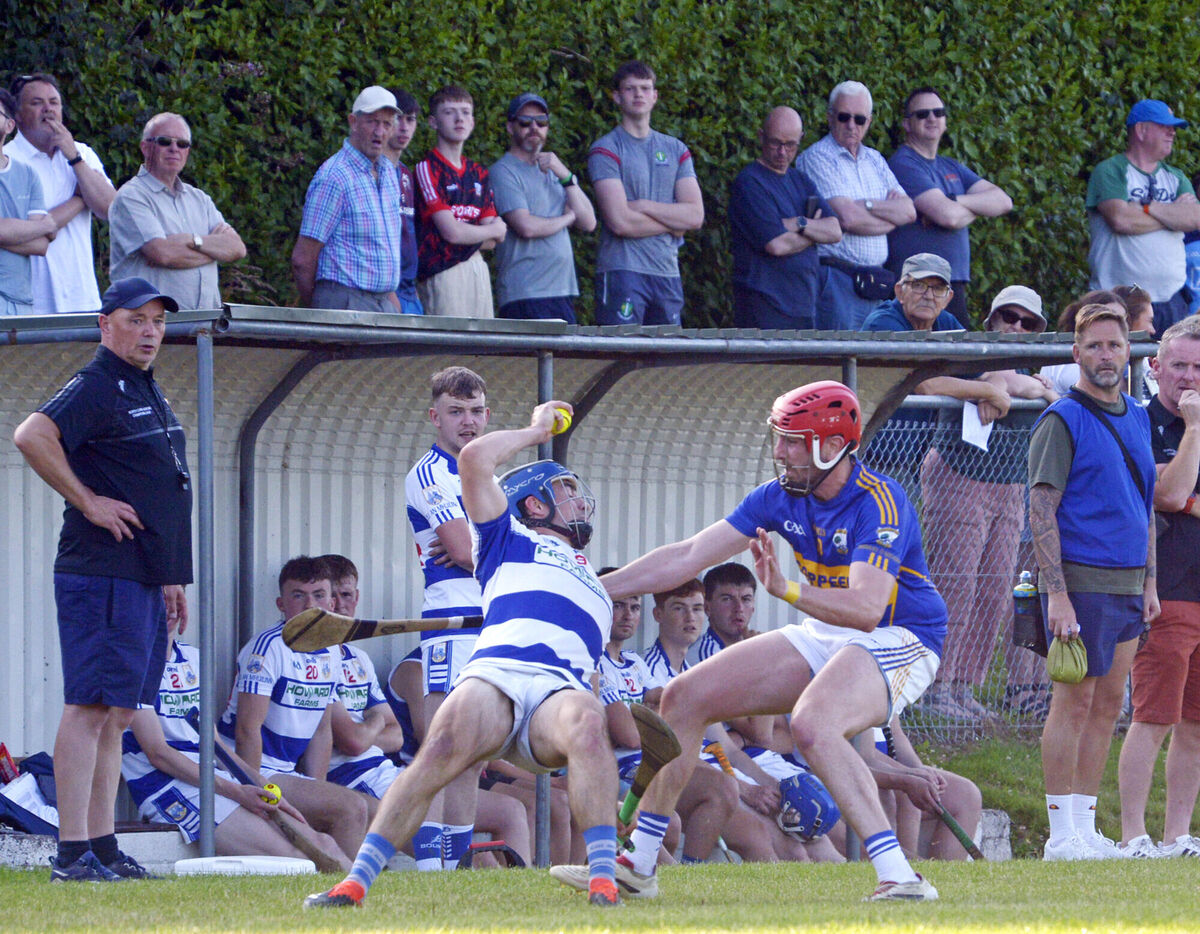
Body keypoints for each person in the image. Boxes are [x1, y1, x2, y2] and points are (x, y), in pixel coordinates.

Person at [568, 380, 946, 901]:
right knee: (684, 697)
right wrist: (584, 588)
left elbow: (864, 610)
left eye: (793, 440)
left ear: (832, 447)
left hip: (900, 635)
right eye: (780, 437)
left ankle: (901, 877)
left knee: (815, 724)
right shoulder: (777, 497)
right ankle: (638, 864)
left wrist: (785, 589)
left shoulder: (881, 501)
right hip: (829, 632)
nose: (780, 452)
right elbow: (686, 556)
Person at [303, 406, 622, 909]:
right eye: (565, 491)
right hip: (495, 672)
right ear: (535, 505)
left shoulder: (599, 584)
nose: (580, 501)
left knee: (586, 721)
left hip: (556, 695)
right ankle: (357, 884)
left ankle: (604, 883)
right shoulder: (510, 538)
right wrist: (537, 433)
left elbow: (683, 559)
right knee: (442, 746)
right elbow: (474, 459)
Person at [13, 277, 191, 881]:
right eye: (136, 320)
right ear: (105, 323)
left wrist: (170, 574)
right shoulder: (97, 384)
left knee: (117, 713)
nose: (149, 332)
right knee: (89, 707)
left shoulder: (142, 385)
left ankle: (103, 846)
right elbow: (32, 435)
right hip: (101, 572)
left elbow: (157, 488)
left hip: (142, 575)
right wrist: (89, 502)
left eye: (157, 323)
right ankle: (71, 853)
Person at [1028, 303, 1158, 860]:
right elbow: (1040, 507)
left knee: (1109, 704)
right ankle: (1060, 833)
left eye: (1116, 345)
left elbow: (1145, 505)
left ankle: (1084, 826)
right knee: (1073, 702)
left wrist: (1150, 582)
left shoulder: (1136, 414)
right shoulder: (1062, 418)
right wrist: (1056, 593)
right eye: (1095, 346)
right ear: (1075, 353)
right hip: (1080, 582)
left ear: (1130, 352)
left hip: (1130, 584)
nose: (1106, 355)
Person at [919, 286, 1057, 721]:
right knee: (955, 586)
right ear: (992, 319)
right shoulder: (966, 349)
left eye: (1027, 322)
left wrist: (1004, 385)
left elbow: (1022, 384)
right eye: (1007, 317)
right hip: (959, 478)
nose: (1015, 327)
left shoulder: (1033, 375)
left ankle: (964, 686)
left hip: (1009, 487)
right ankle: (934, 687)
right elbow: (926, 380)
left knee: (997, 593)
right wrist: (991, 384)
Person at [121, 616, 351, 868]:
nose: (169, 610)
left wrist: (257, 782)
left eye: (175, 599)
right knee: (292, 860)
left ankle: (356, 901)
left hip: (212, 777)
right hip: (165, 786)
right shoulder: (131, 663)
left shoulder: (194, 659)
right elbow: (158, 753)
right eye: (160, 599)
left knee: (323, 845)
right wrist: (237, 792)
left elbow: (214, 741)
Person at [217, 556, 371, 860]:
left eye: (318, 595)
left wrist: (318, 789)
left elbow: (322, 730)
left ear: (330, 601)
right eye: (298, 595)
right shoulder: (268, 647)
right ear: (281, 603)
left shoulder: (331, 650)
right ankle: (348, 890)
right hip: (247, 769)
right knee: (351, 808)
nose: (308, 605)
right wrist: (255, 794)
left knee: (365, 808)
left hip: (287, 772)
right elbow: (248, 731)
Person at [1118, 316, 1200, 858]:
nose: (1189, 377)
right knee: (1153, 717)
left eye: (1199, 367)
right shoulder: (1138, 422)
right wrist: (1193, 429)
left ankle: (1177, 836)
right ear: (1155, 368)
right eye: (1179, 366)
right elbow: (1168, 495)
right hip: (1164, 589)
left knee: (1195, 724)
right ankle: (1132, 835)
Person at [404, 366, 490, 869]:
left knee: (472, 757)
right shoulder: (430, 472)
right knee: (441, 749)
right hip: (451, 624)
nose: (468, 422)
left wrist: (482, 545)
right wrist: (487, 544)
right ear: (435, 416)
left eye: (476, 411)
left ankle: (452, 872)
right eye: (456, 412)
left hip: (490, 620)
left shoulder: (484, 473)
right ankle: (426, 870)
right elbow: (462, 549)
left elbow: (479, 548)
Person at [587, 60, 704, 325]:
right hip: (622, 271)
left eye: (645, 88)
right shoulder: (606, 148)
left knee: (666, 364)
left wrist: (642, 205)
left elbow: (695, 216)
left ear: (655, 96)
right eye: (630, 89)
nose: (638, 94)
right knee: (621, 358)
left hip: (667, 272)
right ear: (617, 97)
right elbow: (620, 222)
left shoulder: (676, 149)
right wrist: (673, 223)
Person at [886, 87, 1013, 326]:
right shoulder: (903, 163)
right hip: (920, 289)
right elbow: (948, 217)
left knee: (956, 359)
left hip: (951, 286)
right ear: (906, 124)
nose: (932, 118)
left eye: (938, 112)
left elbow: (1003, 201)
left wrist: (955, 200)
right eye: (922, 114)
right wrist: (974, 208)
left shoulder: (950, 166)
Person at [796, 81, 915, 329]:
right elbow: (847, 218)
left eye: (859, 119)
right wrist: (889, 218)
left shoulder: (875, 159)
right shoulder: (816, 158)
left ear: (869, 122)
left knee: (871, 365)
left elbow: (909, 212)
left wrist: (868, 205)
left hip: (876, 283)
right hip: (837, 281)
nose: (852, 125)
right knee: (835, 365)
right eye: (843, 117)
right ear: (830, 118)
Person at [109, 112, 246, 310]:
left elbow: (237, 248)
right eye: (165, 141)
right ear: (145, 147)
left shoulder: (199, 199)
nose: (174, 149)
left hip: (203, 330)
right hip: (150, 331)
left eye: (182, 144)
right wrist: (214, 251)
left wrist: (191, 241)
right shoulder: (131, 197)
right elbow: (163, 254)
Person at [1087, 99, 1200, 335]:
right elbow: (1121, 220)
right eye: (1164, 126)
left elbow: (1195, 218)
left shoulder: (1176, 177)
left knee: (1170, 368)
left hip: (1171, 301)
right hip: (1118, 302)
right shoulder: (1110, 171)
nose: (1172, 132)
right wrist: (1172, 215)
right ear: (1141, 130)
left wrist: (1147, 207)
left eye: (1173, 128)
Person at [8, 73, 115, 314]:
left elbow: (110, 209)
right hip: (25, 306)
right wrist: (79, 200)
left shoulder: (83, 153)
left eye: (54, 102)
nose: (48, 109)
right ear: (17, 115)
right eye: (36, 103)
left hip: (82, 301)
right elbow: (22, 234)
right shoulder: (7, 160)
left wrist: (74, 158)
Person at [728, 106, 842, 329]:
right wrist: (814, 232)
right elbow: (777, 245)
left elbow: (835, 230)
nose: (782, 152)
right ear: (761, 136)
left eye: (790, 145)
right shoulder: (750, 183)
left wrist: (799, 224)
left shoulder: (801, 180)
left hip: (805, 303)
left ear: (800, 140)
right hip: (764, 307)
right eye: (775, 143)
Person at [291, 86, 403, 313]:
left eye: (387, 124)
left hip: (383, 303)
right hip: (345, 302)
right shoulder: (334, 176)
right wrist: (322, 310)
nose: (379, 132)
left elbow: (383, 248)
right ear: (353, 122)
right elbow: (303, 259)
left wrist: (394, 307)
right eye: (372, 122)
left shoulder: (389, 173)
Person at [489, 92, 596, 323]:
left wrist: (566, 176)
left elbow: (589, 222)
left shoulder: (555, 169)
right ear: (510, 127)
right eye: (525, 122)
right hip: (526, 293)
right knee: (529, 361)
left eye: (541, 122)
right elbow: (526, 226)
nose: (534, 127)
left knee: (565, 361)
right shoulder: (503, 171)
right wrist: (568, 219)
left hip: (562, 291)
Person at [414, 85, 506, 318]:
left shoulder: (479, 173)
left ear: (473, 121)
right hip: (443, 272)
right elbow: (452, 233)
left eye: (465, 112)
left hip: (477, 268)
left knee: (482, 349)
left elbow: (494, 242)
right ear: (433, 122)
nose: (459, 119)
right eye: (449, 112)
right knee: (448, 350)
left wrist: (483, 233)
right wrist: (491, 229)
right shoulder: (427, 168)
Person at [1, 87, 54, 315]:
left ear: (9, 125)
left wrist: (34, 233)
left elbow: (41, 245)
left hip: (20, 302)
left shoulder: (28, 174)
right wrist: (45, 226)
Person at [381, 89, 423, 315]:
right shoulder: (373, 172)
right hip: (386, 292)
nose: (405, 127)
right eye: (398, 119)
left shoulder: (407, 174)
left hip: (410, 291)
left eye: (411, 119)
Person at [688, 562, 761, 666]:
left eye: (746, 599)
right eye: (727, 599)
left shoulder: (760, 647)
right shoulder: (701, 659)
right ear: (707, 608)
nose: (739, 608)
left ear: (753, 607)